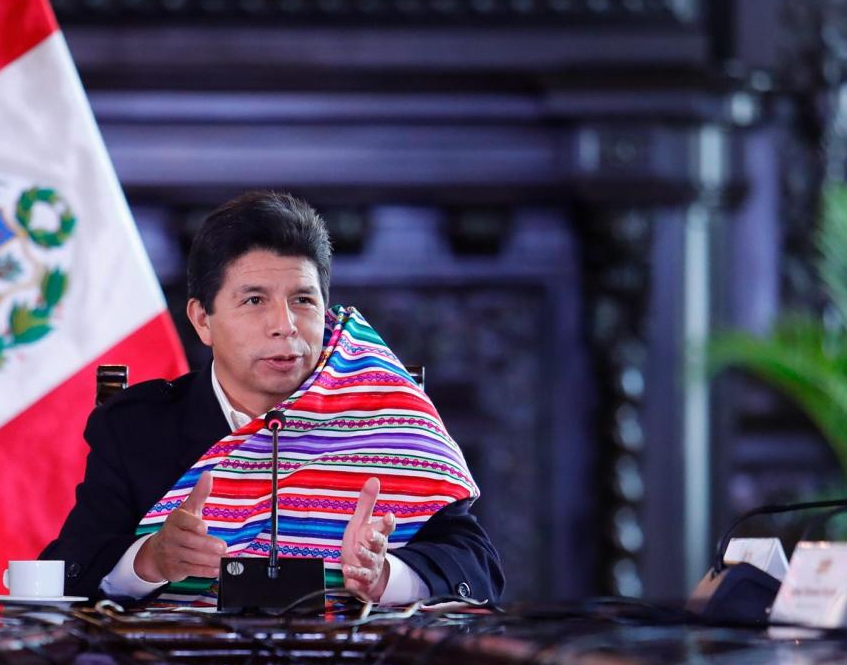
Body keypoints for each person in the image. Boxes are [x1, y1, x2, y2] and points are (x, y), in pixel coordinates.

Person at [41, 191, 504, 604]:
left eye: (303, 300)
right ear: (202, 320)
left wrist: (385, 576)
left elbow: (478, 568)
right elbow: (67, 570)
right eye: (254, 301)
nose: (285, 325)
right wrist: (150, 560)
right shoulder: (137, 428)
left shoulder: (382, 418)